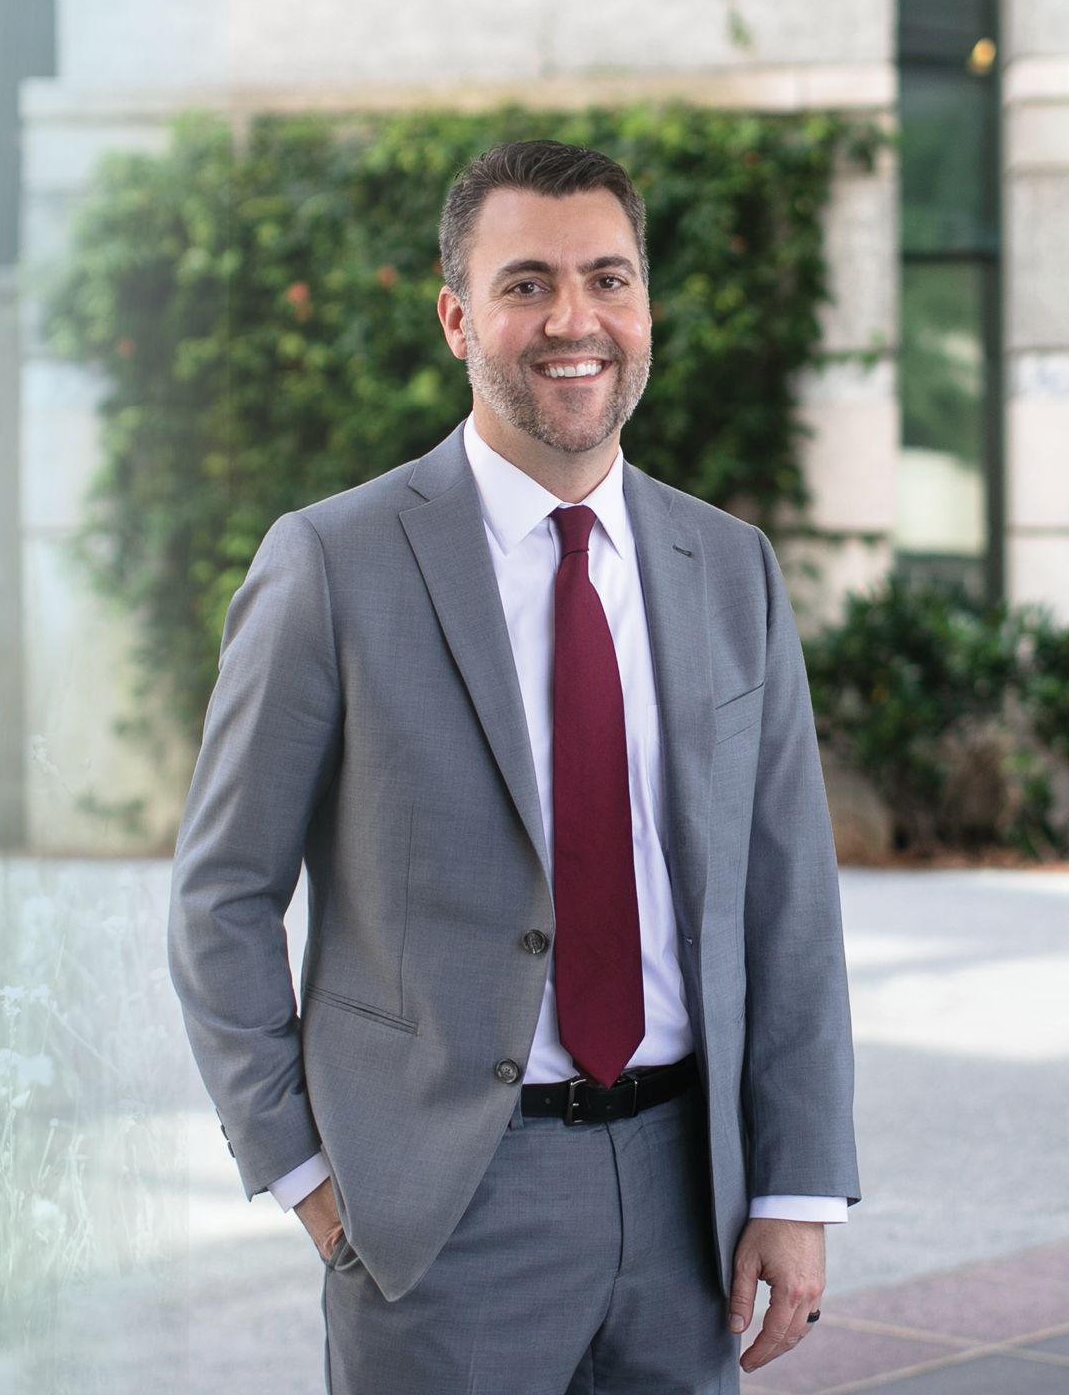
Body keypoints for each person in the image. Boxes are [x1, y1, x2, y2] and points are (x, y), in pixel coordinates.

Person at [165, 138, 860, 1391]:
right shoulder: (333, 564)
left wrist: (796, 1184)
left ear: (644, 306)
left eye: (608, 278)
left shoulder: (730, 571)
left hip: (684, 1195)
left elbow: (785, 899)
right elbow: (221, 893)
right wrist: (311, 1180)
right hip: (440, 1212)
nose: (573, 319)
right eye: (526, 283)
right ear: (457, 318)